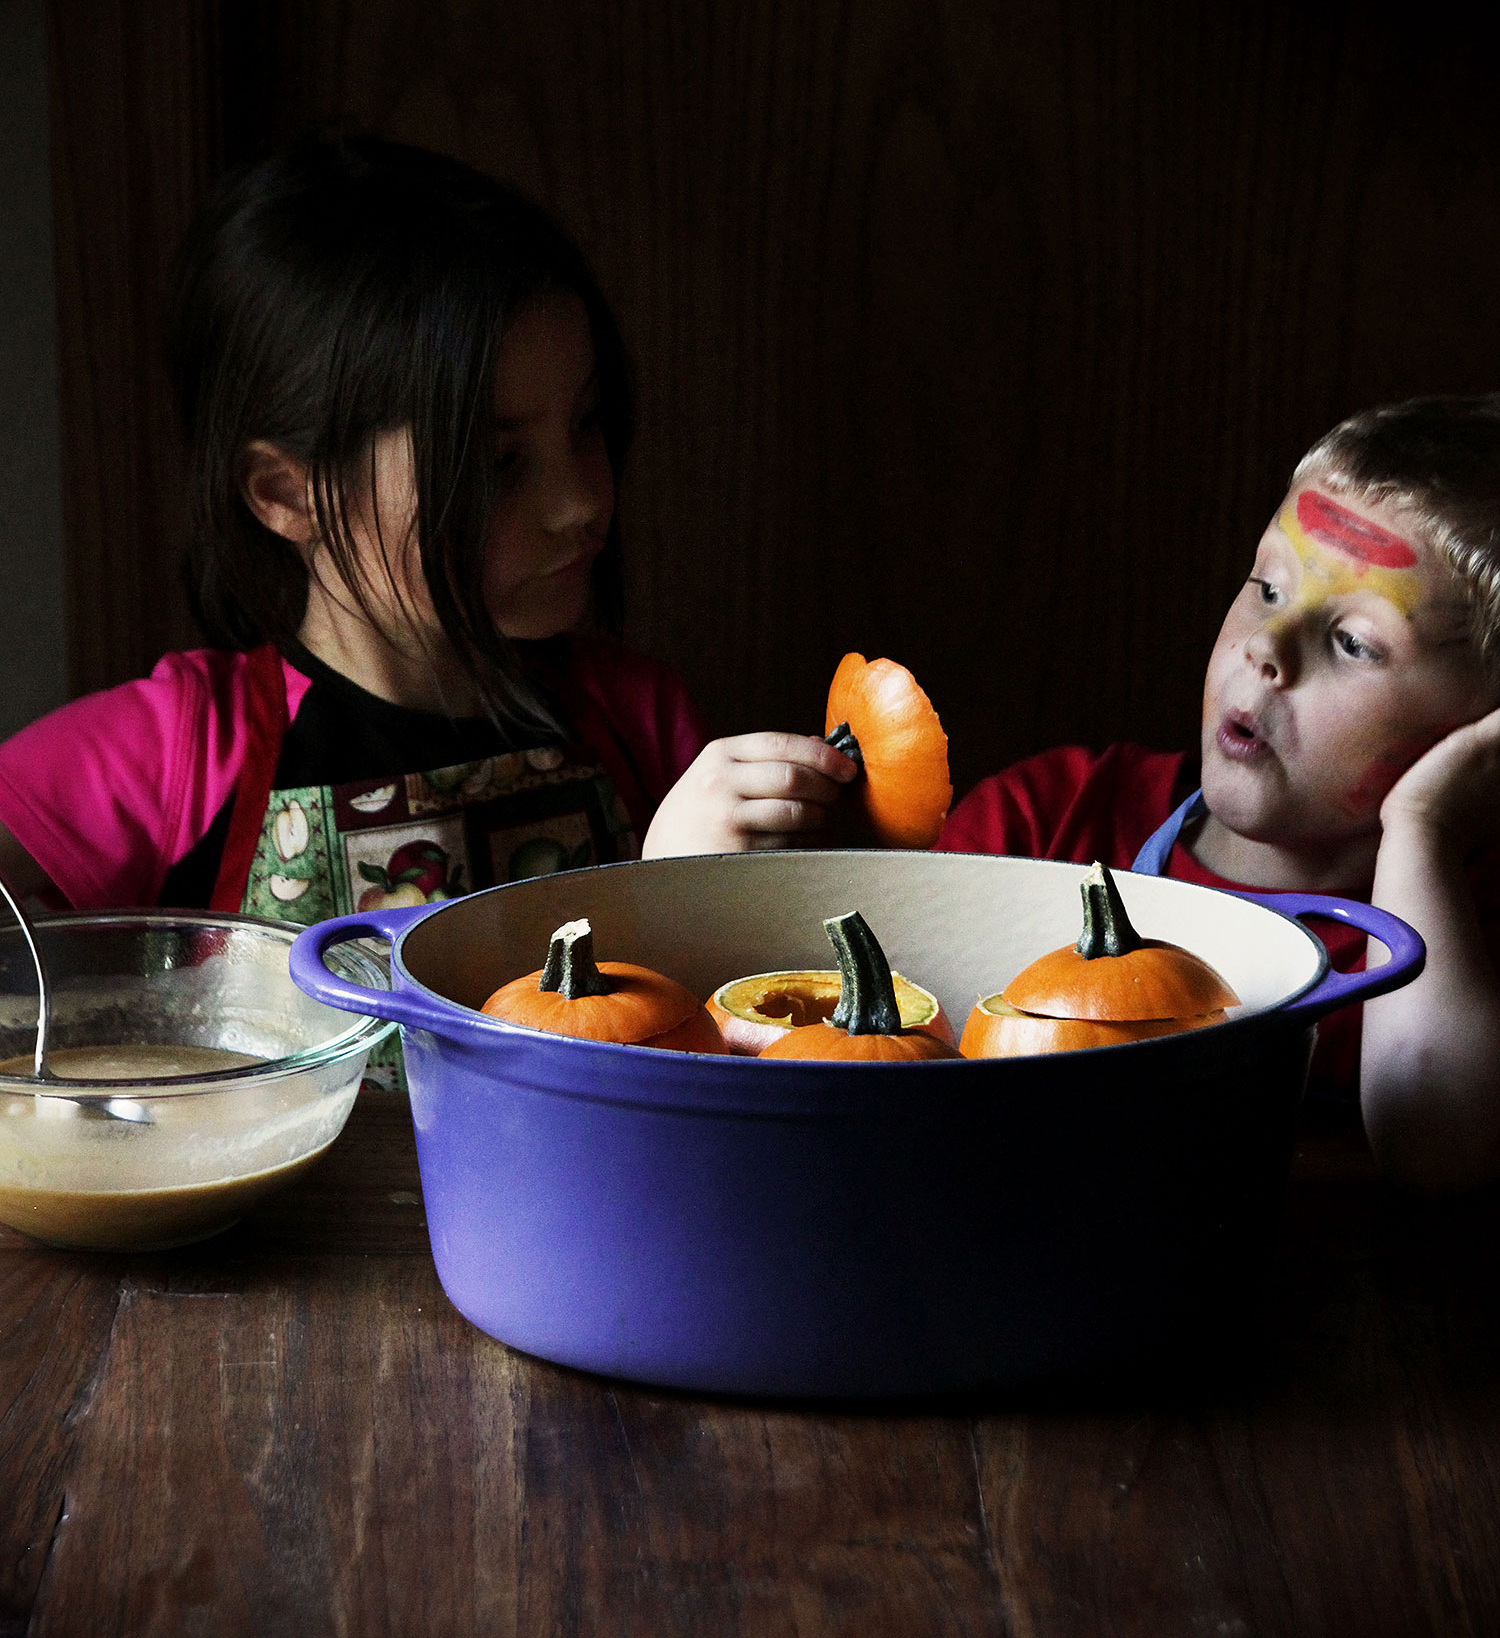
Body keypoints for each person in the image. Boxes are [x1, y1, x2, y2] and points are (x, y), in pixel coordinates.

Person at [0, 133, 853, 947]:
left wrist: (696, 905)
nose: (582, 501)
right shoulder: (177, 756)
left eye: (587, 424)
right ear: (285, 493)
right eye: (497, 464)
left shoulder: (639, 723)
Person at [938, 395, 1500, 1188]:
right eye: (1267, 589)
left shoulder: (1475, 940)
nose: (1267, 648)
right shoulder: (1041, 824)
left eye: (1353, 641)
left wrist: (1423, 823)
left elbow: (1436, 1157)